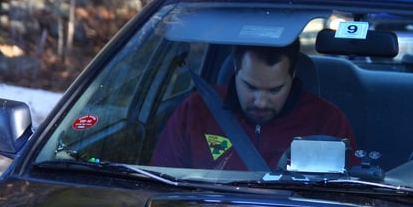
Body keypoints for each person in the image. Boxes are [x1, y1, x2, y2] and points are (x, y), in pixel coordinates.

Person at [151, 41, 356, 170]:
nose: (260, 101)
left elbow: (346, 199)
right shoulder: (196, 111)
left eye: (274, 90)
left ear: (292, 76)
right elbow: (159, 185)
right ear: (235, 68)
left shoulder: (327, 122)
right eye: (250, 86)